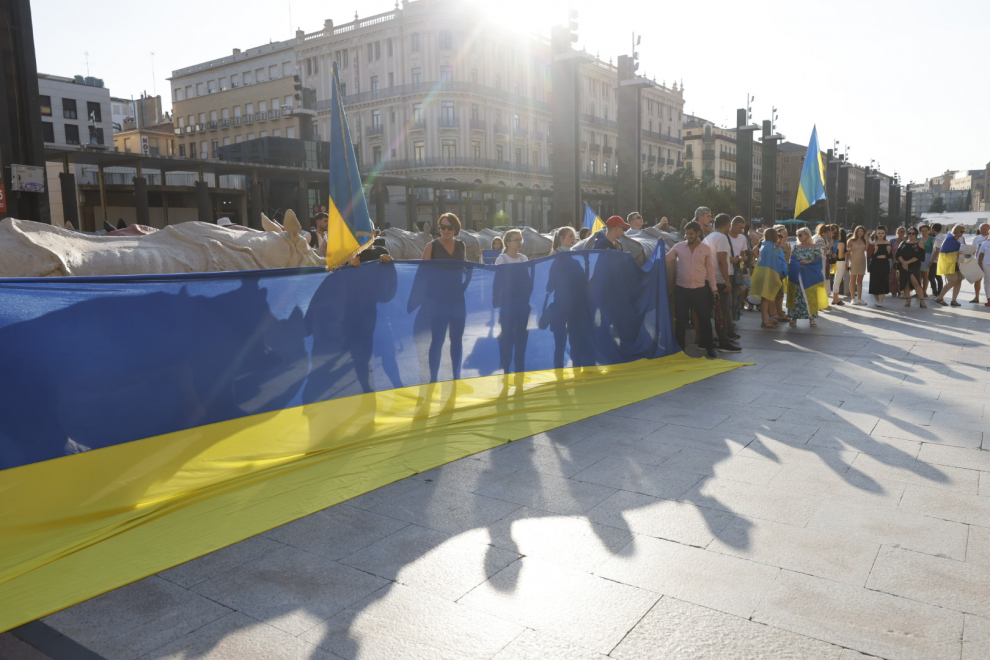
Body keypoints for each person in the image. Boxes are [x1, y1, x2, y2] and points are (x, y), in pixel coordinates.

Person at [420, 213, 468, 381]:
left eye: (449, 227)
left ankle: (456, 377)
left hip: (457, 301)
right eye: (442, 227)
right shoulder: (431, 246)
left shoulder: (461, 245)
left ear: (456, 228)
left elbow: (464, 269)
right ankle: (433, 379)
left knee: (456, 341)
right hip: (437, 301)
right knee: (437, 341)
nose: (445, 230)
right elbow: (422, 274)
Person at [665, 221, 719, 358]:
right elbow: (666, 259)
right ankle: (679, 349)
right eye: (686, 233)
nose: (688, 236)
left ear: (698, 233)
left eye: (691, 233)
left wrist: (714, 288)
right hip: (682, 290)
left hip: (700, 290)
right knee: (681, 320)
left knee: (705, 320)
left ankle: (709, 348)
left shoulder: (706, 249)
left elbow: (710, 270)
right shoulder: (678, 247)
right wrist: (660, 247)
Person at [703, 214, 742, 352]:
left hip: (708, 279)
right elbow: (721, 260)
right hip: (719, 280)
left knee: (709, 312)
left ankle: (705, 341)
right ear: (727, 224)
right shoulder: (721, 237)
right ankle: (724, 342)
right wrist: (727, 280)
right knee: (723, 312)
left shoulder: (708, 237)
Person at [788, 227, 826, 327]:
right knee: (796, 296)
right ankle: (794, 318)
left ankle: (812, 318)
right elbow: (792, 260)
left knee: (811, 295)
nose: (798, 237)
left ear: (807, 235)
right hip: (797, 276)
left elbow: (818, 262)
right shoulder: (795, 247)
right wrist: (799, 263)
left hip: (810, 276)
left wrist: (809, 263)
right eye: (797, 235)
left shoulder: (815, 247)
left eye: (800, 235)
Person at [750, 227, 784, 328]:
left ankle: (766, 319)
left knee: (765, 299)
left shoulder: (764, 245)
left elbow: (755, 251)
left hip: (762, 272)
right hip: (769, 273)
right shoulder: (772, 247)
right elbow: (776, 262)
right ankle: (765, 321)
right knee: (766, 298)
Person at [934, 224, 967, 307]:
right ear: (956, 231)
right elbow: (942, 254)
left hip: (958, 263)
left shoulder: (959, 240)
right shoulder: (949, 240)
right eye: (961, 231)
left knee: (958, 280)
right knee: (952, 281)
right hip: (949, 264)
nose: (962, 233)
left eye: (963, 231)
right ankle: (939, 298)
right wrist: (956, 253)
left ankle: (954, 300)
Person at [895, 228, 927, 308]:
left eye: (913, 233)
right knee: (906, 283)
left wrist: (907, 262)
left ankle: (922, 301)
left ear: (916, 234)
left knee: (916, 283)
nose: (911, 235)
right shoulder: (903, 243)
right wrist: (903, 262)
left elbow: (919, 256)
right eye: (909, 233)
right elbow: (898, 254)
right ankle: (908, 300)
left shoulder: (920, 243)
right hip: (903, 266)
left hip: (914, 266)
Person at [727, 216, 750, 322]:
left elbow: (743, 254)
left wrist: (743, 258)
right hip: (725, 271)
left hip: (736, 272)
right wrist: (730, 259)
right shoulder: (724, 236)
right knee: (726, 300)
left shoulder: (742, 238)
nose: (742, 230)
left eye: (743, 228)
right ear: (733, 225)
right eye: (740, 228)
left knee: (734, 298)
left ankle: (730, 322)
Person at [868, 226, 892, 307]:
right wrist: (875, 251)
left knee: (883, 281)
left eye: (882, 233)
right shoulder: (872, 244)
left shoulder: (888, 243)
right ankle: (877, 299)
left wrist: (889, 251)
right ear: (876, 234)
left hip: (884, 263)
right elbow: (870, 256)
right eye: (879, 233)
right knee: (874, 282)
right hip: (875, 264)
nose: (880, 235)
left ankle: (881, 300)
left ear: (885, 234)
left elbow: (890, 256)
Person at [847, 225, 869, 305]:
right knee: (852, 280)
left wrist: (867, 240)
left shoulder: (864, 240)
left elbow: (866, 250)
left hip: (862, 261)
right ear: (856, 232)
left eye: (862, 231)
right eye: (859, 231)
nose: (860, 232)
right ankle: (853, 298)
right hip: (853, 261)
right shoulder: (851, 240)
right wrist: (846, 263)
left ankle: (859, 298)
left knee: (860, 280)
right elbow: (847, 253)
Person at [773, 225, 791, 322]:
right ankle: (775, 313)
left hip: (784, 271)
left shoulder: (787, 245)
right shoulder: (774, 246)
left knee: (781, 293)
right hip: (776, 271)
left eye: (786, 234)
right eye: (784, 233)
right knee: (775, 293)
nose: (785, 236)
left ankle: (779, 312)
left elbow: (788, 259)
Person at [969, 223, 989, 303]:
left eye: (984, 229)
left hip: (987, 262)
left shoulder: (988, 239)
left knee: (988, 281)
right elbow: (973, 250)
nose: (982, 231)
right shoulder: (976, 238)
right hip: (978, 262)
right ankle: (976, 297)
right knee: (977, 280)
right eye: (981, 229)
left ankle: (988, 297)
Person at [813, 224, 832, 300]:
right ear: (827, 232)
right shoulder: (820, 240)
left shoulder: (824, 240)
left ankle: (823, 300)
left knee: (824, 279)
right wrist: (829, 247)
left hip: (824, 262)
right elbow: (821, 252)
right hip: (820, 263)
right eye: (831, 232)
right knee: (821, 279)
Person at [830, 226, 847, 306]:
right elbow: (840, 256)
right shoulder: (841, 243)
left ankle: (836, 298)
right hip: (840, 262)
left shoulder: (836, 242)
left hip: (837, 262)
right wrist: (850, 251)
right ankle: (835, 298)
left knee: (836, 280)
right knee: (837, 281)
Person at [889, 226, 907, 297]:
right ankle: (893, 291)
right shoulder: (892, 241)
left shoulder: (907, 241)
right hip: (894, 262)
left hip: (903, 262)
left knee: (902, 277)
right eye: (900, 231)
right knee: (893, 277)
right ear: (897, 232)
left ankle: (901, 291)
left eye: (903, 232)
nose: (902, 233)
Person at [928, 223, 945, 298]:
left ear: (933, 229)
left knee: (931, 276)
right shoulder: (943, 236)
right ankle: (940, 291)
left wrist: (931, 261)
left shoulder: (937, 238)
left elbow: (937, 250)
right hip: (942, 259)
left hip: (936, 259)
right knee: (938, 275)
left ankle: (935, 291)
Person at [918, 225, 933, 297]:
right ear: (920, 232)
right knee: (918, 275)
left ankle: (924, 291)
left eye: (926, 230)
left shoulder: (932, 239)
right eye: (922, 231)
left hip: (927, 257)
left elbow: (935, 250)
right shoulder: (917, 239)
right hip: (918, 258)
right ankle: (919, 290)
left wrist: (932, 260)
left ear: (929, 231)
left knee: (925, 275)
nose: (924, 232)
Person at [978, 233, 990, 307]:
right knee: (987, 282)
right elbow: (981, 254)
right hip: (986, 264)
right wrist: (980, 264)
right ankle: (989, 299)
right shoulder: (985, 243)